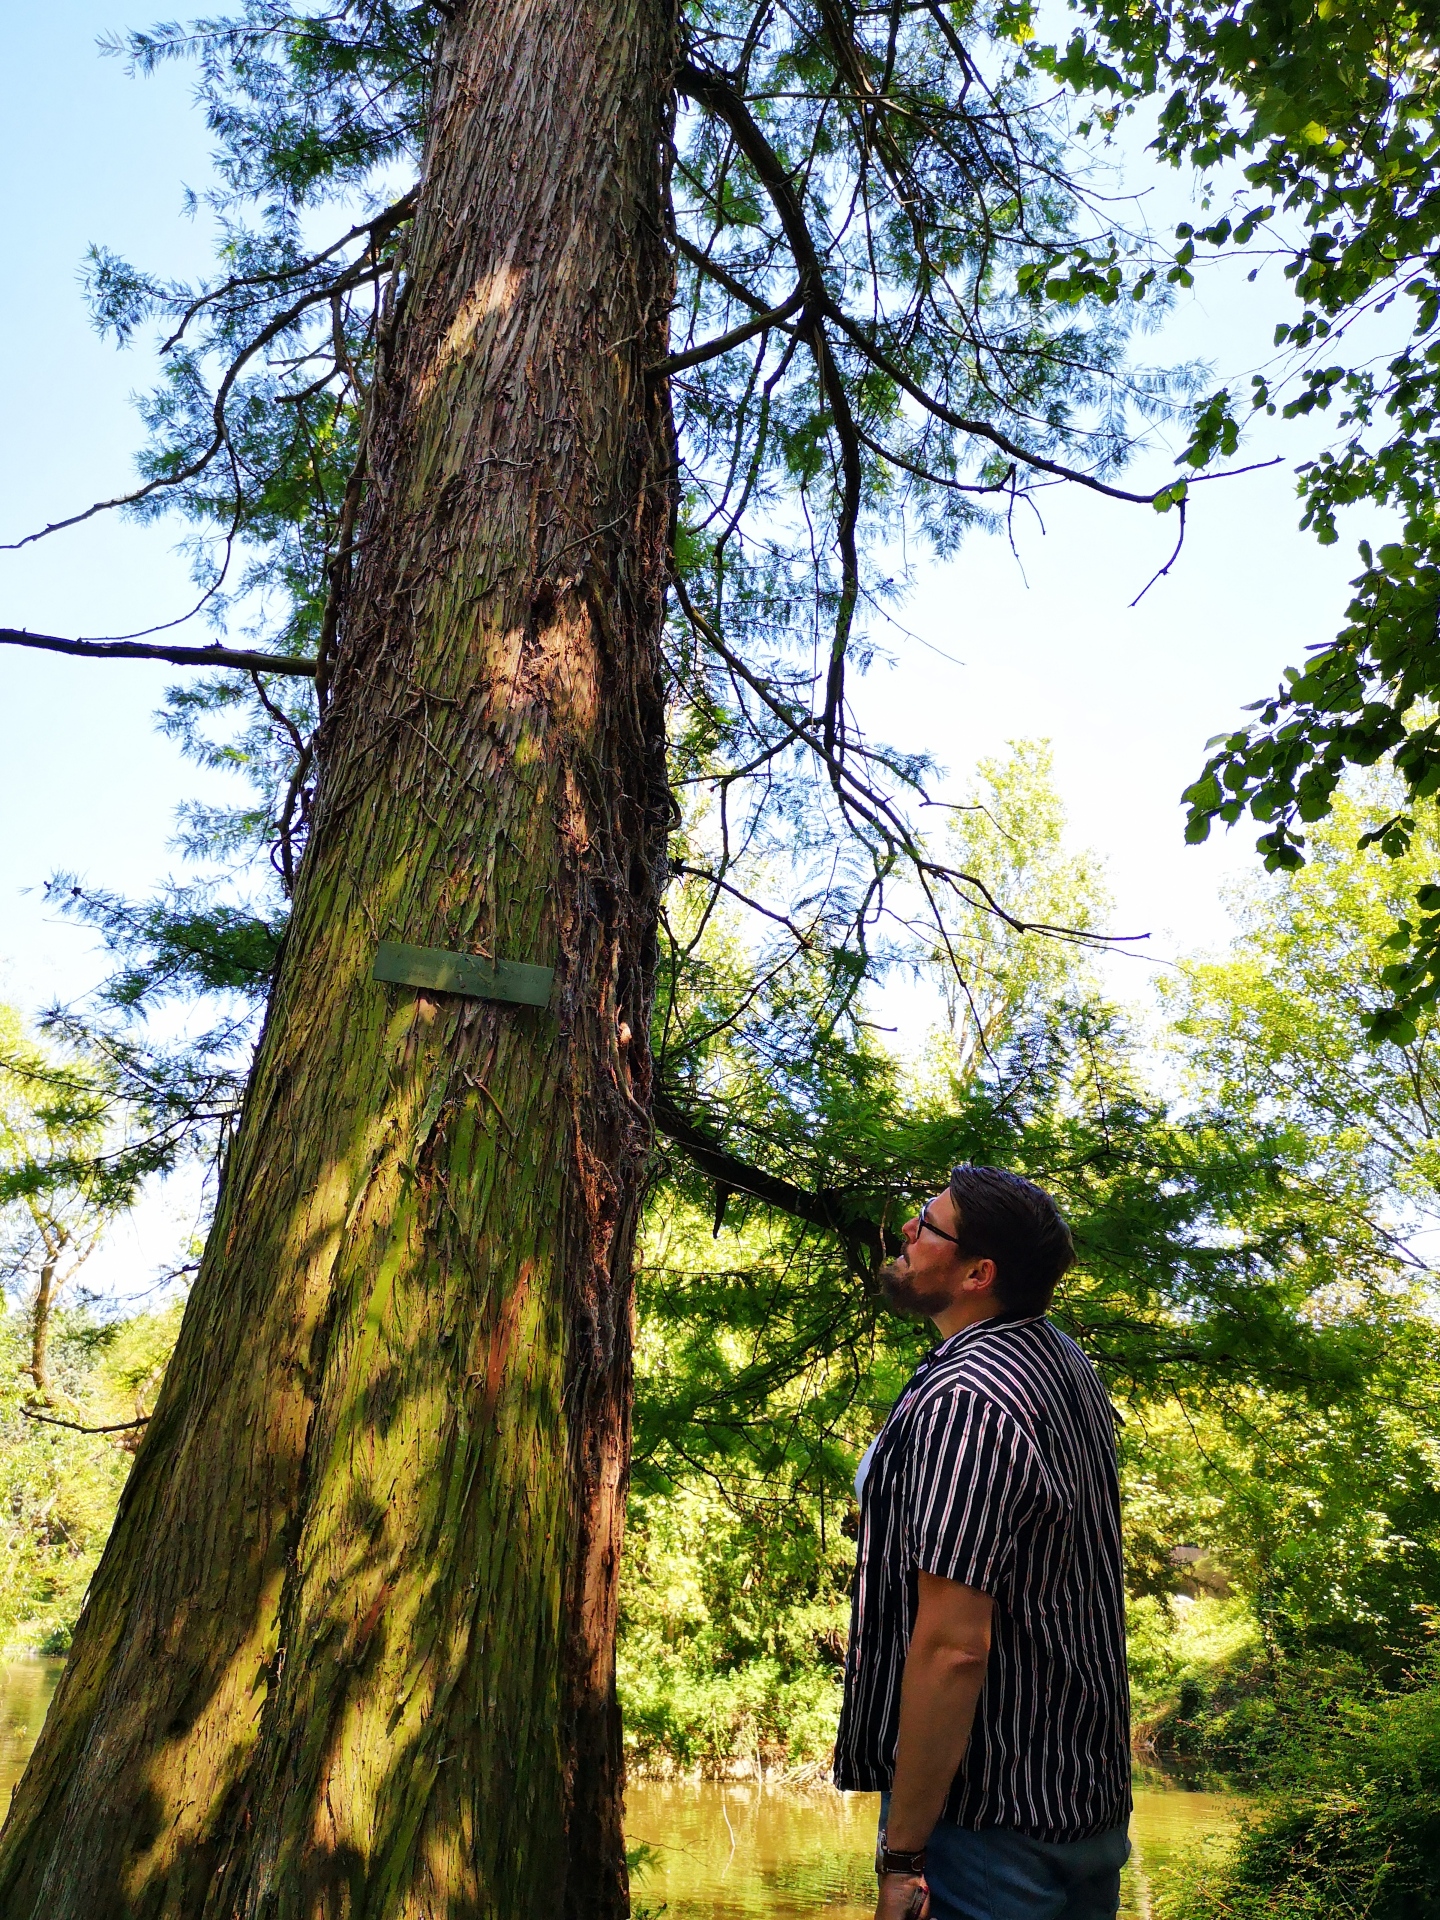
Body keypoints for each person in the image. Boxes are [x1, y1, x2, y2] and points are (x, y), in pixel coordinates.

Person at [833, 1165, 1130, 1920]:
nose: (906, 1229)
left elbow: (953, 1647)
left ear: (977, 1272)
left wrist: (902, 1856)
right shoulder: (1059, 1360)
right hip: (1081, 1811)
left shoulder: (969, 1397)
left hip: (987, 1831)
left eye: (928, 1225)